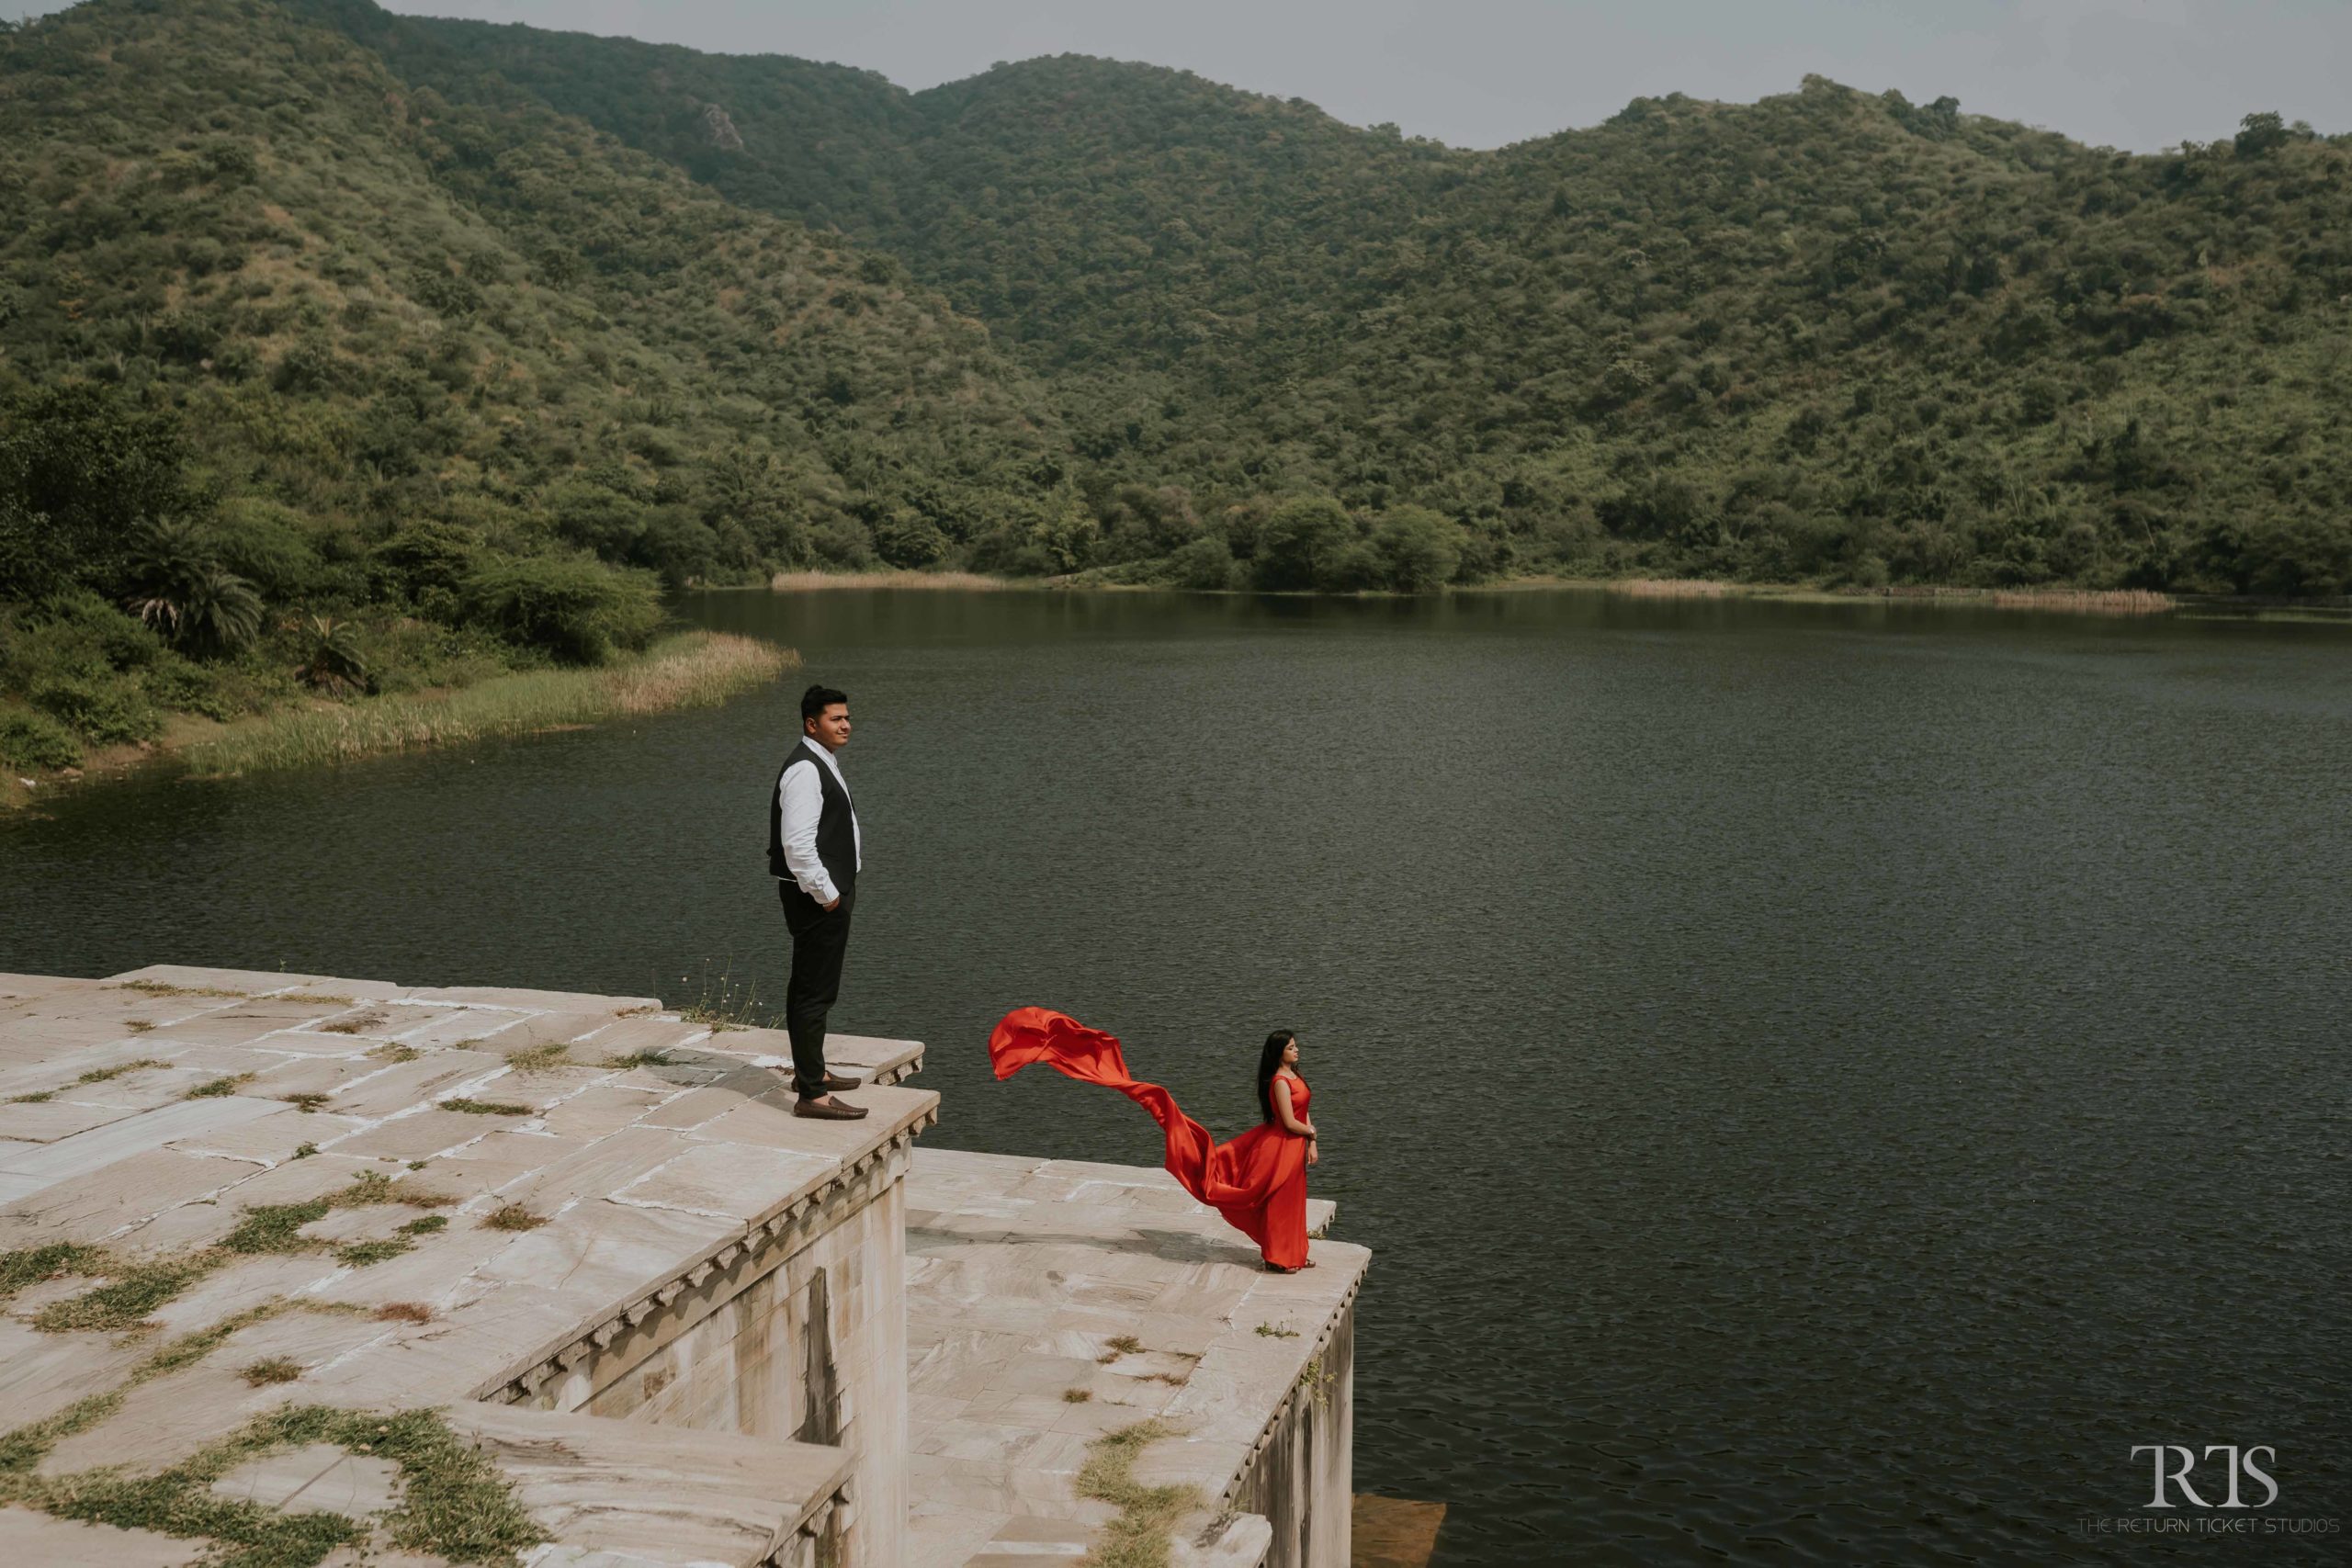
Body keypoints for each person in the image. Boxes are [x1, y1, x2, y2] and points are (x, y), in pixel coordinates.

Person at [988, 1009, 1319, 1271]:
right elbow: (1290, 1121)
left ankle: (1296, 1254)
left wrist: (1312, 1141)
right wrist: (1310, 1134)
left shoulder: (1295, 1076)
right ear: (1279, 1053)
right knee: (1276, 1202)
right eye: (1291, 1047)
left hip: (1294, 1146)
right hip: (1280, 1146)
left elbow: (1304, 1113)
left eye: (1295, 1045)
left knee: (1293, 1201)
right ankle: (1278, 1257)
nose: (1297, 1049)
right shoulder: (1278, 1081)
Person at [769, 683, 867, 1121]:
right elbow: (798, 847)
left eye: (846, 717)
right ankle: (812, 1094)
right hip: (817, 897)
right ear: (812, 724)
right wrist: (828, 896)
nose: (845, 724)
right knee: (814, 994)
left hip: (824, 892)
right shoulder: (806, 770)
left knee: (811, 989)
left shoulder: (819, 760)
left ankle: (814, 1072)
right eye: (835, 718)